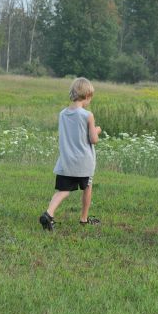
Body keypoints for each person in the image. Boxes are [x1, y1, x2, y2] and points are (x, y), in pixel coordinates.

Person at [39, 77, 101, 231]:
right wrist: (97, 130)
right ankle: (84, 219)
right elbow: (93, 140)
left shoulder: (62, 114)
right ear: (86, 96)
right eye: (90, 99)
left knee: (63, 191)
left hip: (66, 161)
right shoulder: (87, 115)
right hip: (83, 162)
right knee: (87, 187)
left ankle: (48, 214)